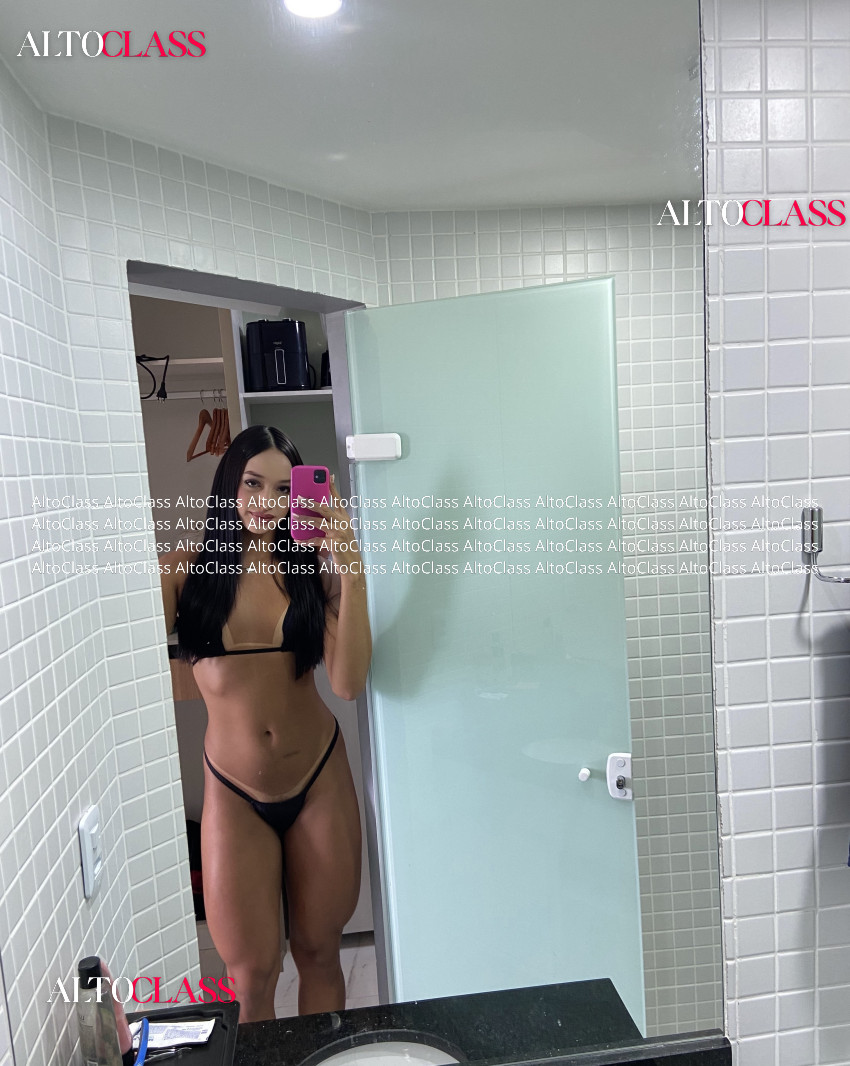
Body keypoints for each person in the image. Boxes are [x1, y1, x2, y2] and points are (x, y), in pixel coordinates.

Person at [159, 424, 372, 1022]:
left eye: (284, 490)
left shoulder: (314, 573)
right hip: (232, 790)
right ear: (229, 482)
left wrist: (350, 567)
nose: (266, 502)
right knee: (251, 976)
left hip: (318, 778)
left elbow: (348, 683)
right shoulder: (183, 574)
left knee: (320, 954)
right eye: (253, 484)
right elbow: (124, 671)